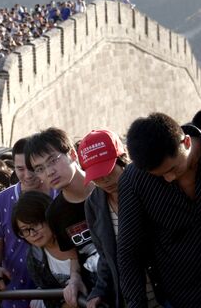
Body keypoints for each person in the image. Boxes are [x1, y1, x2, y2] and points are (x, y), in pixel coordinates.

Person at [118, 112, 201, 308]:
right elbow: (129, 250)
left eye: (173, 169)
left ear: (187, 142)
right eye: (159, 176)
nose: (169, 178)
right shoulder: (134, 181)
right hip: (184, 297)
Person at [25, 128, 97, 306]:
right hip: (98, 294)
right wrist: (74, 279)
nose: (49, 172)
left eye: (52, 161)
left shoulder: (105, 187)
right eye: (39, 169)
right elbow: (74, 256)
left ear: (72, 154)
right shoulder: (55, 213)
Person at [0, 138, 56, 308]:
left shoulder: (61, 194)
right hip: (15, 295)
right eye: (20, 169)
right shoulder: (0, 202)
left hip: (60, 294)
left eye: (33, 168)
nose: (28, 175)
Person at [11, 191, 86, 308]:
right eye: (25, 230)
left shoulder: (77, 236)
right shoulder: (34, 257)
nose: (32, 234)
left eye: (35, 224)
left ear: (49, 215)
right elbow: (49, 298)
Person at [79, 130, 127, 308]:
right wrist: (99, 290)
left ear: (122, 159)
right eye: (96, 176)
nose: (105, 180)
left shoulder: (145, 187)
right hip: (129, 296)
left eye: (108, 170)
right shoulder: (94, 204)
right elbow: (106, 256)